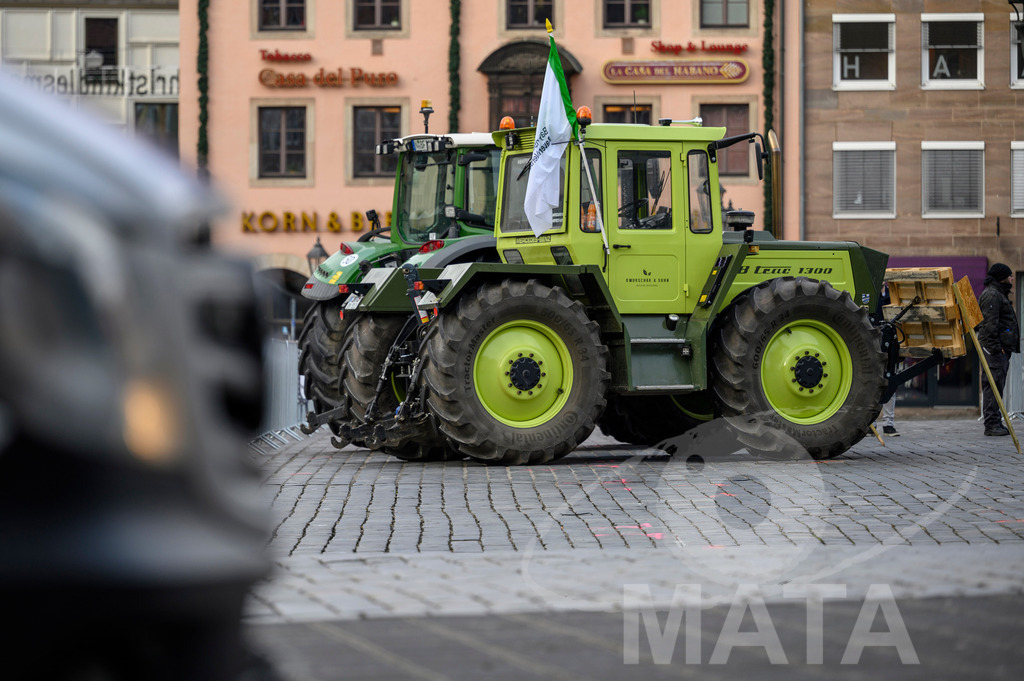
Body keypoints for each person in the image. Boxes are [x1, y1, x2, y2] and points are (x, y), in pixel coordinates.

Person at [977, 263, 1020, 436]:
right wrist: (996, 349)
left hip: (999, 349)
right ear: (1002, 277)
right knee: (993, 384)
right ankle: (991, 424)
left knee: (996, 385)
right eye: (1010, 276)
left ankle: (995, 421)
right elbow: (989, 325)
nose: (1012, 279)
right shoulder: (992, 295)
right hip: (994, 351)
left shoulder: (997, 293)